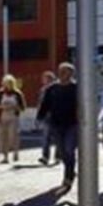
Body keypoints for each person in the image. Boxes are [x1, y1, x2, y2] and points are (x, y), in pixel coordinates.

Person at [41, 62, 81, 194]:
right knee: (63, 152)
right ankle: (70, 170)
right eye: (61, 71)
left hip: (73, 124)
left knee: (70, 150)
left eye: (67, 72)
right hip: (56, 124)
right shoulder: (52, 88)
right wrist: (39, 118)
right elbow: (45, 104)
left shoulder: (77, 88)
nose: (63, 74)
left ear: (72, 74)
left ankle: (68, 177)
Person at [0, 75, 25, 164]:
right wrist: (2, 107)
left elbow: (22, 107)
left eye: (9, 83)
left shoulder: (17, 94)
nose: (7, 85)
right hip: (1, 118)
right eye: (5, 83)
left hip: (13, 118)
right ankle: (5, 157)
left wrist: (14, 107)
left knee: (12, 136)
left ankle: (15, 151)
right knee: (2, 138)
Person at [35, 70, 58, 166]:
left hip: (57, 117)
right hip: (46, 117)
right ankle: (45, 157)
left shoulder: (57, 89)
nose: (44, 81)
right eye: (44, 79)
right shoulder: (42, 90)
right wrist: (38, 116)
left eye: (46, 79)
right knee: (46, 138)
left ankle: (58, 156)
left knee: (58, 138)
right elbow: (40, 104)